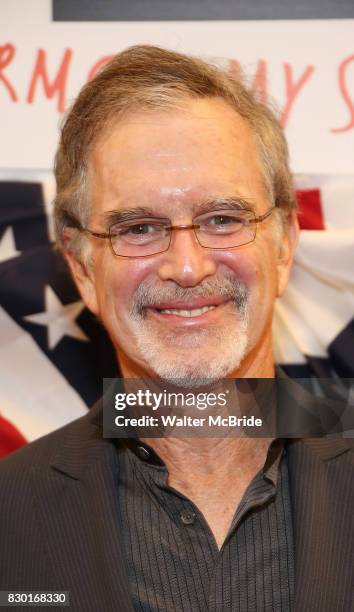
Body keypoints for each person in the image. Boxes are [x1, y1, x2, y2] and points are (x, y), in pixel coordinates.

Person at [0, 45, 353, 612]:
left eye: (223, 219)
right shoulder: (9, 515)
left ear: (285, 244)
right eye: (138, 227)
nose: (187, 267)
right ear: (83, 267)